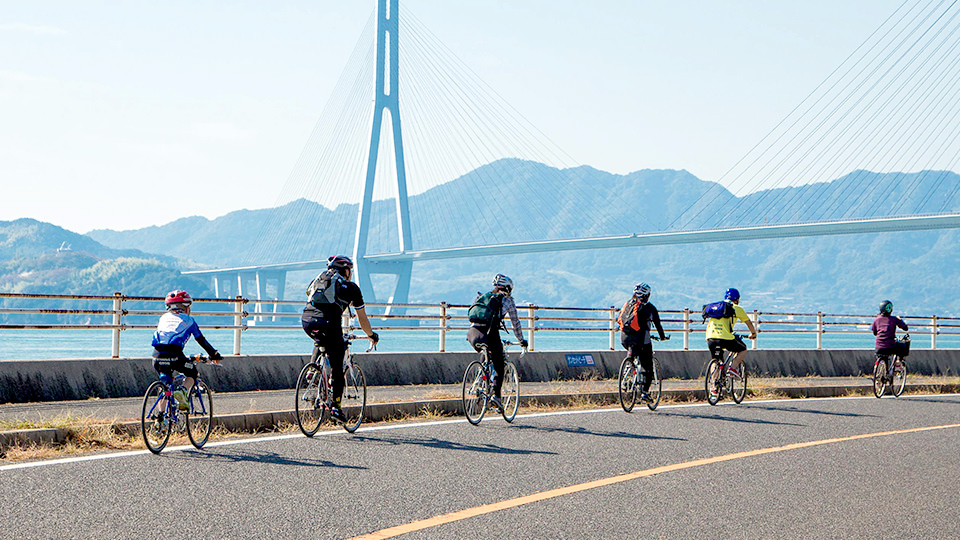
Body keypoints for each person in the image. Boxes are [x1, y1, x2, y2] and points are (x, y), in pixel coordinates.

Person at [301, 255, 379, 423]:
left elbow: (310, 295)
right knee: (337, 363)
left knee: (322, 340)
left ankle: (312, 371)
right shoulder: (351, 288)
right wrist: (371, 335)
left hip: (306, 320)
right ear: (346, 270)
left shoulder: (318, 280)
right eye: (350, 269)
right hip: (328, 323)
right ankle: (336, 406)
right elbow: (362, 319)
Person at [151, 290, 222, 416]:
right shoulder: (189, 320)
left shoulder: (163, 318)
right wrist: (214, 355)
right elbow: (201, 340)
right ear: (186, 307)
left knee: (165, 385)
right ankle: (182, 391)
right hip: (175, 356)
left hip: (156, 356)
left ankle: (160, 418)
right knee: (193, 373)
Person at [466, 274, 528, 412]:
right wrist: (521, 340)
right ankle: (497, 397)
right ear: (508, 288)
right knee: (499, 364)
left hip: (473, 333)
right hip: (490, 333)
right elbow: (515, 323)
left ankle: (480, 383)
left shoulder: (482, 296)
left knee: (486, 355)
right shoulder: (508, 300)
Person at [617, 282, 668, 403]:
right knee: (648, 366)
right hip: (641, 340)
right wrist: (663, 337)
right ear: (647, 295)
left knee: (632, 352)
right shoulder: (650, 308)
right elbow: (658, 325)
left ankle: (627, 372)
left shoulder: (628, 304)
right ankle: (645, 392)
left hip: (624, 338)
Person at [705, 288, 757, 387]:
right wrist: (753, 333)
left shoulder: (717, 307)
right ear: (737, 299)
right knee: (742, 349)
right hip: (725, 338)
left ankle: (714, 389)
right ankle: (732, 368)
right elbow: (748, 322)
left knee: (715, 360)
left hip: (710, 337)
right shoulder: (736, 308)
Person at [871, 300, 908, 373]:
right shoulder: (894, 319)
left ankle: (882, 377)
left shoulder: (876, 319)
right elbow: (905, 328)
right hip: (890, 346)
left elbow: (874, 332)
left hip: (878, 347)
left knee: (883, 358)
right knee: (902, 346)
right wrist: (900, 319)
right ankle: (898, 362)